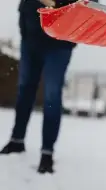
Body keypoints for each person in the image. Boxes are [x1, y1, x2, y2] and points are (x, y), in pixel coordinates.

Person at [0, 0, 96, 174]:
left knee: (52, 94)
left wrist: (56, 3)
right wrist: (24, 28)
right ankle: (17, 140)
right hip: (31, 38)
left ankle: (47, 152)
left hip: (59, 44)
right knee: (25, 88)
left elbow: (90, 5)